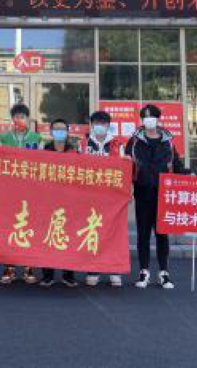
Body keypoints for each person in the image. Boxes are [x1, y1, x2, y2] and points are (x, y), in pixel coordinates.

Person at [125, 104, 175, 290]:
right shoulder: (134, 141)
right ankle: (144, 271)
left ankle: (164, 273)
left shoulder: (168, 141)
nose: (149, 120)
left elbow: (176, 164)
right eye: (145, 117)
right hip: (142, 192)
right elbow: (125, 166)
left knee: (162, 233)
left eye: (152, 116)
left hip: (163, 193)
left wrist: (189, 174)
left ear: (158, 119)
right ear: (142, 120)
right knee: (143, 234)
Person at [0, 103, 41, 285]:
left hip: (31, 191)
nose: (19, 119)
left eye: (23, 116)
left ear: (28, 119)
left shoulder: (37, 138)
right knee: (10, 228)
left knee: (28, 229)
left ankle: (28, 268)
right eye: (16, 116)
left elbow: (43, 163)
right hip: (10, 191)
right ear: (12, 119)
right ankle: (9, 269)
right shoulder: (4, 138)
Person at [79, 110, 124, 288]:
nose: (100, 126)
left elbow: (124, 169)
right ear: (92, 125)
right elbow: (77, 167)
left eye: (103, 123)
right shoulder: (83, 144)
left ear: (108, 125)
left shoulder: (117, 144)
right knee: (93, 232)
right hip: (90, 196)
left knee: (112, 233)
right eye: (97, 123)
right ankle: (93, 269)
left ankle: (114, 270)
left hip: (112, 197)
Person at [39, 119, 79, 288]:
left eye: (62, 129)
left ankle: (68, 275)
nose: (59, 132)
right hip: (48, 200)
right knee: (48, 237)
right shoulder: (44, 150)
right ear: (51, 132)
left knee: (68, 238)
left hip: (69, 201)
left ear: (68, 132)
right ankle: (47, 275)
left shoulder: (74, 152)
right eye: (56, 129)